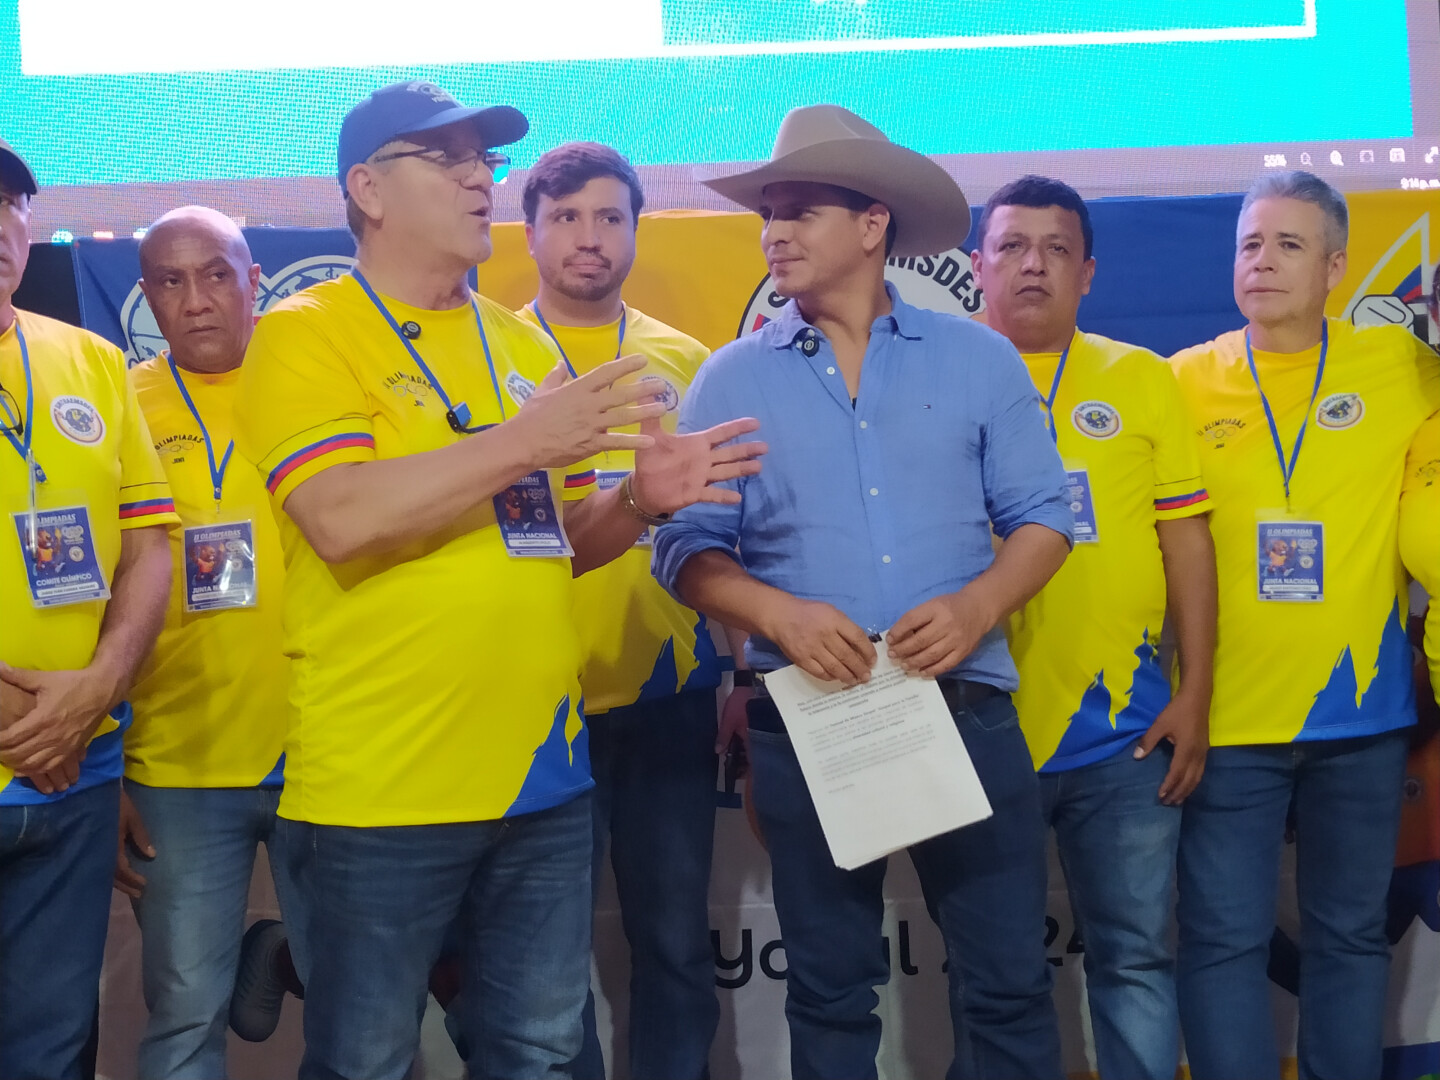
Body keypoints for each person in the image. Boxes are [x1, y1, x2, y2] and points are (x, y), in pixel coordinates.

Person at [231, 80, 764, 1080]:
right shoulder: (307, 332)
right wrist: (523, 441)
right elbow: (341, 518)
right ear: (367, 189)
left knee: (538, 1052)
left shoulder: (520, 346)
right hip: (384, 788)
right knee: (365, 1059)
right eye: (448, 158)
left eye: (486, 159)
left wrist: (640, 501)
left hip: (544, 781)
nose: (480, 178)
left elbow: (558, 541)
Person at [653, 104, 1072, 1080]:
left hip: (963, 709)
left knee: (1009, 984)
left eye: (800, 210)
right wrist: (776, 614)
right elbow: (683, 550)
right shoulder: (728, 379)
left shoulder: (979, 358)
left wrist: (977, 607)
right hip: (812, 721)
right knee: (830, 995)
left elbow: (1046, 519)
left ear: (873, 223)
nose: (774, 231)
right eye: (769, 213)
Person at [1169, 170, 1440, 1080]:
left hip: (1362, 723)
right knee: (1221, 942)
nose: (1263, 261)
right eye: (1249, 244)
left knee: (1350, 938)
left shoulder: (1404, 368)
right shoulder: (1179, 382)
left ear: (1335, 268)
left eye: (1288, 244)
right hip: (1224, 723)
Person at [971, 174, 1217, 1080]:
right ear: (978, 266)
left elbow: (1186, 542)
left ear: (1088, 273)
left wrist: (1196, 693)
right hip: (979, 728)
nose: (1033, 265)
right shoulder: (936, 378)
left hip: (1126, 733)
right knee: (997, 977)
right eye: (1012, 246)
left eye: (1056, 249)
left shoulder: (1141, 378)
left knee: (1137, 960)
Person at [519, 141, 722, 1080]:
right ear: (530, 234)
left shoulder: (688, 361)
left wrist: (741, 674)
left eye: (609, 217)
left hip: (666, 697)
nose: (588, 237)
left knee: (675, 943)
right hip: (533, 703)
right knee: (544, 964)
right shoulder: (495, 355)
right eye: (565, 218)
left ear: (638, 229)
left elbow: (727, 530)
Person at [0, 136, 176, 1080]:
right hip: (42, 743)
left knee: (55, 1044)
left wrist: (96, 690)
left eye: (8, 204)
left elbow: (148, 544)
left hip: (75, 770)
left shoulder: (94, 362)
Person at [112, 206, 295, 1078]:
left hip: (331, 749)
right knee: (187, 1015)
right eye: (171, 281)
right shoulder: (119, 404)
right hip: (177, 760)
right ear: (147, 295)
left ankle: (285, 953)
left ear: (253, 281)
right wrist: (103, 762)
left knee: (368, 997)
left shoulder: (314, 384)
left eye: (217, 274)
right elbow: (88, 594)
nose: (196, 300)